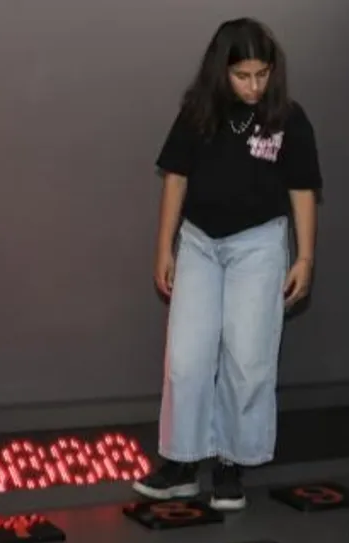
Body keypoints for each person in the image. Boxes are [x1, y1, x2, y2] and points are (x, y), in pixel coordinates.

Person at [132, 18, 322, 512]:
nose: (254, 86)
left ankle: (230, 462)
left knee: (248, 357)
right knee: (186, 357)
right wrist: (164, 247)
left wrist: (304, 256)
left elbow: (302, 188)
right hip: (198, 244)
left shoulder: (288, 118)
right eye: (242, 76)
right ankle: (181, 461)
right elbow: (175, 178)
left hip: (258, 246)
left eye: (262, 74)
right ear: (222, 72)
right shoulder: (198, 114)